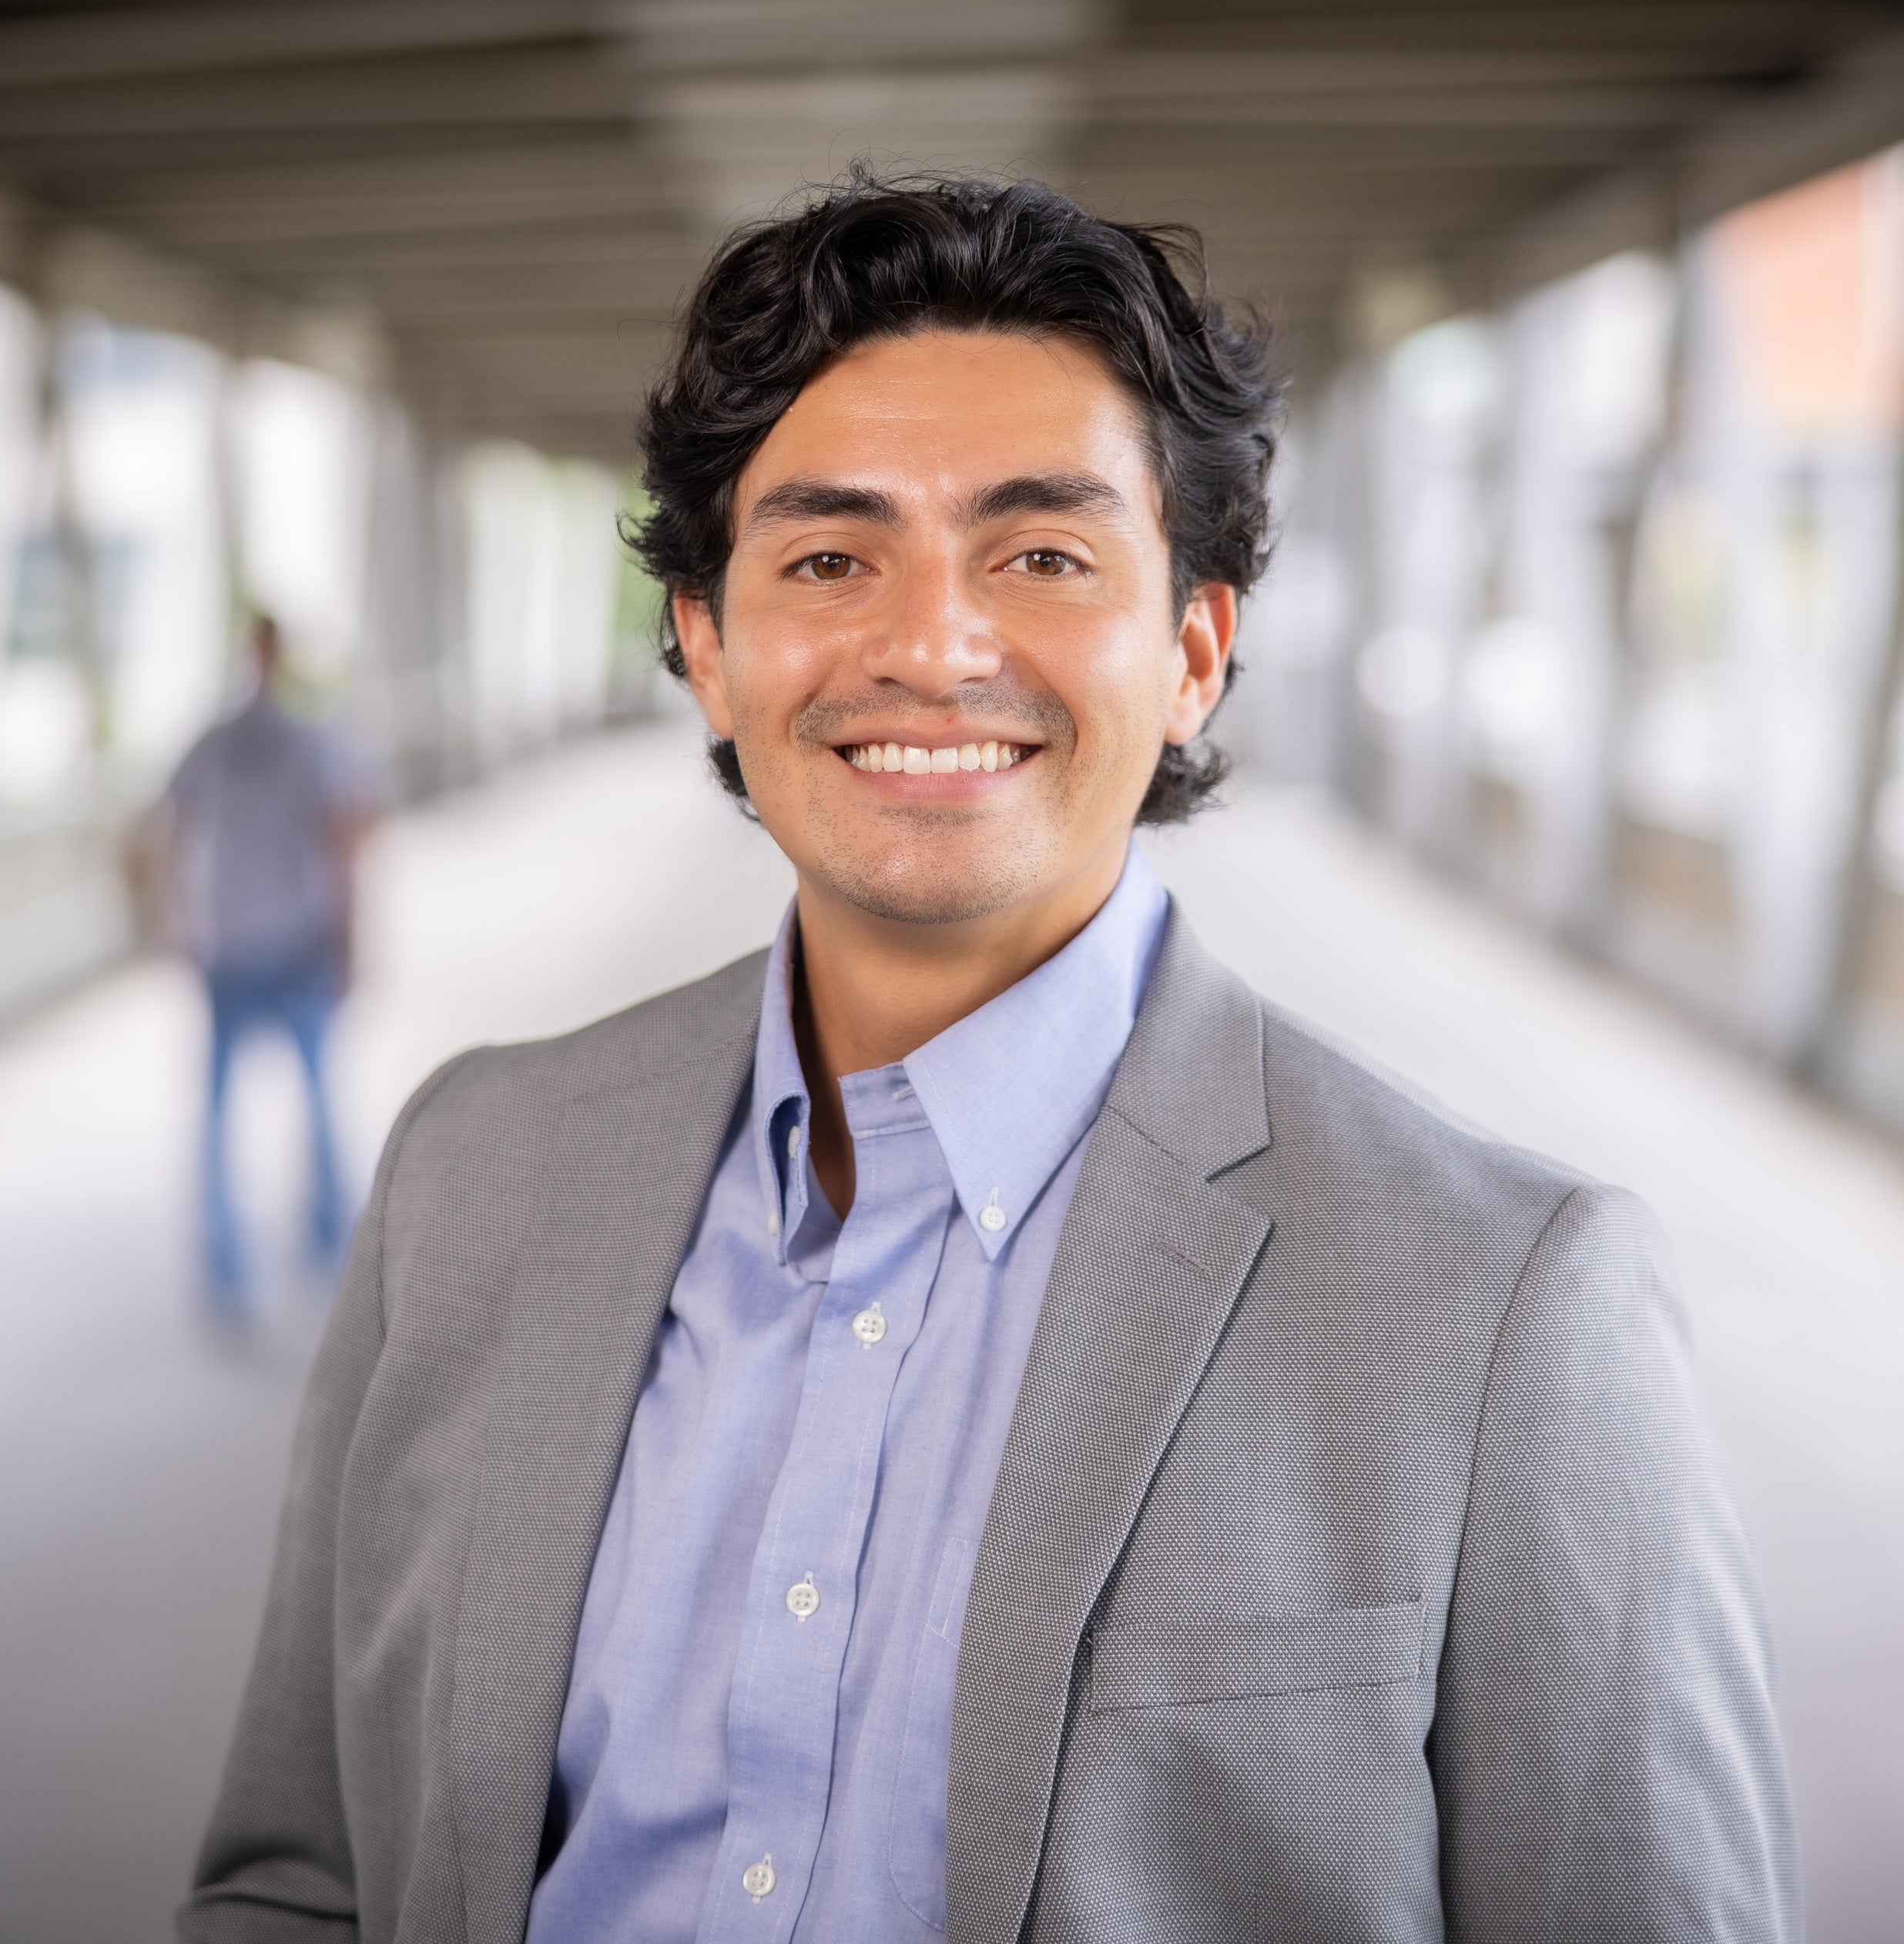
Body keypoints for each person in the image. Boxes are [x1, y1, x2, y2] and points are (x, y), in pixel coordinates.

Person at [183, 178, 1796, 1942]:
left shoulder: (1502, 1302)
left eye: (1038, 553)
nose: (932, 647)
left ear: (1191, 650)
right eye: (825, 556)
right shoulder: (470, 1171)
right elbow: (299, 1874)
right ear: (706, 648)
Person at [156, 614, 375, 1314]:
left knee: (225, 1113)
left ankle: (227, 1267)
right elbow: (344, 837)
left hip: (235, 941)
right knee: (315, 1101)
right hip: (291, 939)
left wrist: (178, 918)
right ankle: (332, 1250)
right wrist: (353, 940)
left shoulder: (214, 742)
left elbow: (169, 830)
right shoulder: (308, 742)